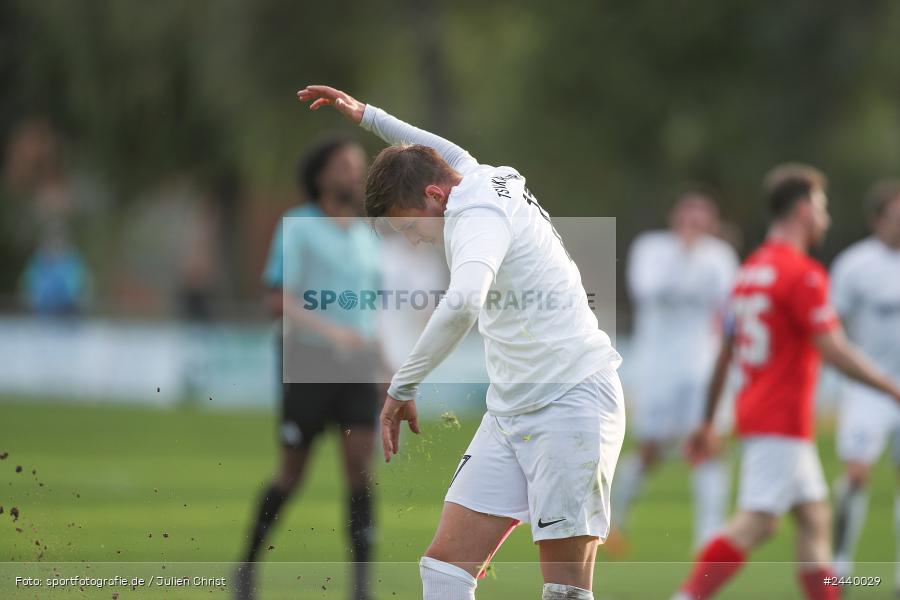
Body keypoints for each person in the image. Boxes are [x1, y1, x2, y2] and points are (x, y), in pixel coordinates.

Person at [298, 84, 625, 600]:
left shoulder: (476, 215)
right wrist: (366, 115)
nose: (413, 239)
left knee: (564, 590)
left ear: (434, 196)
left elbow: (465, 301)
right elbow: (426, 146)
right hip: (512, 409)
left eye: (409, 227)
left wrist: (402, 386)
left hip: (572, 400)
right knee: (444, 569)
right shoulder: (470, 175)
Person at [671, 165, 900, 600]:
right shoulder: (803, 273)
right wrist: (892, 389)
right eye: (822, 208)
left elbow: (725, 352)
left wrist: (707, 420)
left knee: (814, 518)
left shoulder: (749, 270)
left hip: (760, 411)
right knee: (758, 521)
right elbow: (834, 349)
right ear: (803, 210)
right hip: (781, 417)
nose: (825, 218)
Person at [234, 136, 382, 600]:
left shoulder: (367, 236)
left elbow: (371, 310)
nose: (355, 173)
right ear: (321, 176)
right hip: (308, 360)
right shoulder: (298, 226)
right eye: (344, 165)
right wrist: (332, 331)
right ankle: (247, 566)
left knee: (360, 467)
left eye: (358, 165)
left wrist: (387, 363)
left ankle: (361, 587)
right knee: (292, 474)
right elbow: (277, 299)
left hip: (357, 365)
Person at [613, 192, 738, 552]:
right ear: (674, 219)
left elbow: (729, 306)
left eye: (701, 221)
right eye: (688, 219)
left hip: (702, 366)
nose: (693, 227)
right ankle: (615, 518)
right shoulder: (651, 249)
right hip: (658, 366)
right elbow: (647, 290)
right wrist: (684, 254)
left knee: (710, 442)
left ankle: (709, 539)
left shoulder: (720, 256)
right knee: (652, 447)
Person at [830, 180, 900, 587]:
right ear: (877, 220)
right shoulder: (855, 265)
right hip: (868, 387)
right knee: (856, 475)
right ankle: (839, 568)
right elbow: (831, 326)